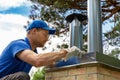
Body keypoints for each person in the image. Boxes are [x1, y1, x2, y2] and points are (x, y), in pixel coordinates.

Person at [0, 20, 68, 80]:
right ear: (34, 31)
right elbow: (37, 60)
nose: (47, 39)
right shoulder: (18, 44)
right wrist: (63, 53)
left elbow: (50, 63)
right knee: (22, 76)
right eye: (45, 35)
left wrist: (69, 61)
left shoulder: (33, 52)